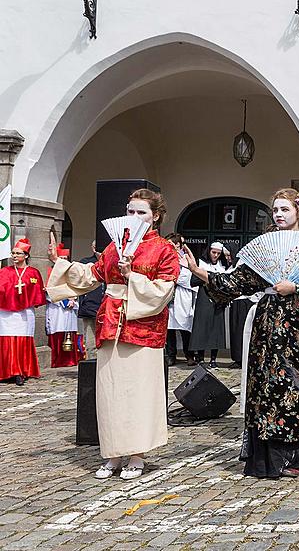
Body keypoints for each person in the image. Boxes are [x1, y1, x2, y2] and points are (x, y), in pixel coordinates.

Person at [184, 188, 299, 479]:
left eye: (285, 209)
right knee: (264, 390)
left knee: (297, 391)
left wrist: (296, 289)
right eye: (275, 209)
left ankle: (295, 457)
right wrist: (198, 271)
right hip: (266, 327)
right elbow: (235, 283)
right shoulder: (264, 247)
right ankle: (266, 460)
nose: (278, 214)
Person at [47, 188, 178, 479]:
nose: (134, 217)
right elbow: (93, 275)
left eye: (141, 212)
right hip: (110, 325)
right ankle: (113, 453)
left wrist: (133, 275)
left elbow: (163, 291)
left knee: (138, 392)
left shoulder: (163, 249)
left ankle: (137, 454)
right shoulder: (113, 247)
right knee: (110, 393)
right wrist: (60, 263)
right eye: (130, 211)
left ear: (155, 216)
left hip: (143, 328)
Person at [0, 238, 44, 386]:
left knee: (22, 340)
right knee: (7, 340)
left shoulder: (33, 272)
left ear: (26, 255)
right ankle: (6, 372)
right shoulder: (4, 272)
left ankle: (21, 371)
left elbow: (38, 292)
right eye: (13, 253)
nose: (14, 256)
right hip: (7, 312)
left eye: (18, 253)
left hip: (25, 312)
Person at [187, 241, 228, 367]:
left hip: (217, 299)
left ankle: (213, 359)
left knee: (216, 329)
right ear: (209, 251)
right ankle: (200, 357)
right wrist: (210, 277)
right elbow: (193, 281)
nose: (215, 255)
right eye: (213, 252)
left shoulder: (223, 265)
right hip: (204, 298)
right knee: (202, 327)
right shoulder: (201, 263)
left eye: (218, 253)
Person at [45, 244, 84, 368]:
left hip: (70, 309)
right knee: (58, 330)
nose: (63, 261)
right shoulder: (50, 273)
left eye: (65, 259)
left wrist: (73, 300)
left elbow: (77, 288)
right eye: (60, 258)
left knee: (70, 332)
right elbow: (48, 291)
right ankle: (58, 360)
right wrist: (64, 302)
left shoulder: (71, 273)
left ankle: (70, 359)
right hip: (57, 309)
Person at [164, 233, 195, 367]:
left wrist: (173, 277)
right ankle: (171, 356)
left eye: (174, 244)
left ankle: (189, 355)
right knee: (169, 329)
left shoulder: (186, 258)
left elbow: (189, 277)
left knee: (184, 328)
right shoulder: (165, 258)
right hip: (169, 296)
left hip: (183, 296)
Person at [76, 242, 103, 354]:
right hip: (90, 307)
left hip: (108, 308)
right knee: (91, 344)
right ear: (92, 248)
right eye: (96, 247)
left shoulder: (112, 261)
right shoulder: (85, 262)